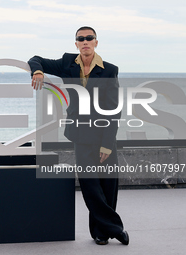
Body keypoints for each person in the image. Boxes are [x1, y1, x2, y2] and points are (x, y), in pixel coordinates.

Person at [28, 26, 129, 245]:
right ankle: (115, 228)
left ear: (96, 42)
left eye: (89, 38)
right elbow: (35, 59)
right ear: (76, 44)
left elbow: (114, 109)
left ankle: (101, 232)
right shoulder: (67, 63)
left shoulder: (110, 70)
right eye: (80, 39)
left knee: (108, 185)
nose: (85, 41)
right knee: (90, 185)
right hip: (80, 135)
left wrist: (107, 144)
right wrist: (37, 71)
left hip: (104, 134)